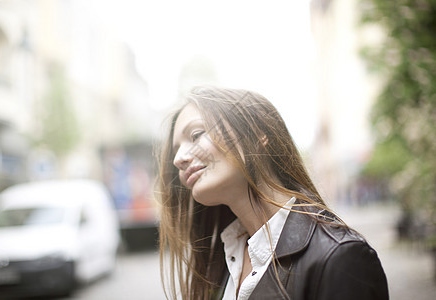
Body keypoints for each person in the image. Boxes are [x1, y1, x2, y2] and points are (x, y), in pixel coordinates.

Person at [157, 86, 389, 300]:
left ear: (258, 134)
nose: (178, 160)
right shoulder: (222, 261)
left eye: (196, 135)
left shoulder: (339, 258)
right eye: (176, 150)